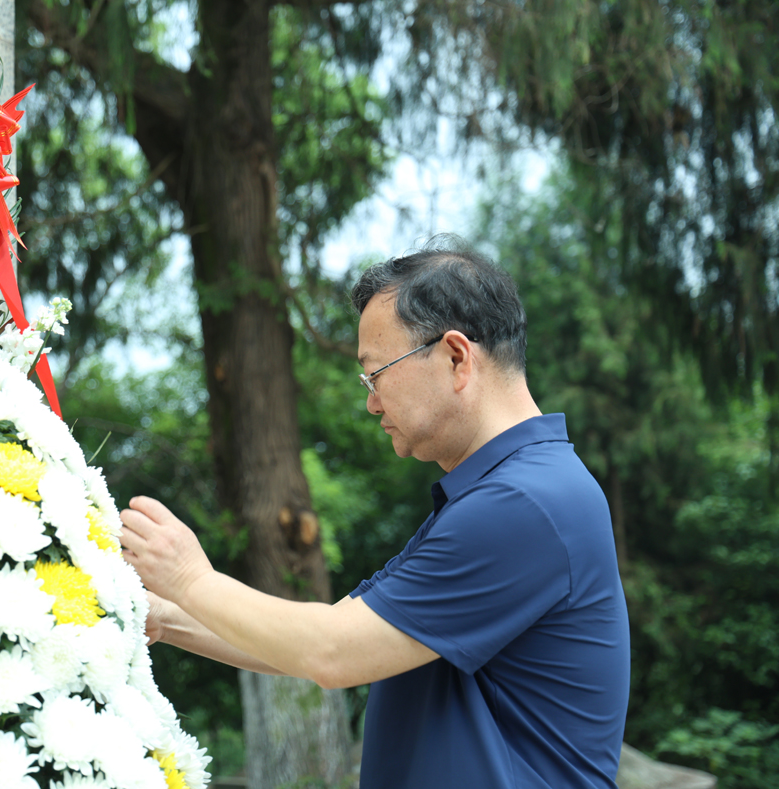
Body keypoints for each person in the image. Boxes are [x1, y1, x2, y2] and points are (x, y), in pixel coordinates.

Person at [119, 240, 630, 788]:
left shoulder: (524, 504)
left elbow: (331, 652)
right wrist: (165, 616)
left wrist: (190, 579)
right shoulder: (506, 492)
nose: (371, 402)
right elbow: (330, 633)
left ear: (456, 358)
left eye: (376, 373)